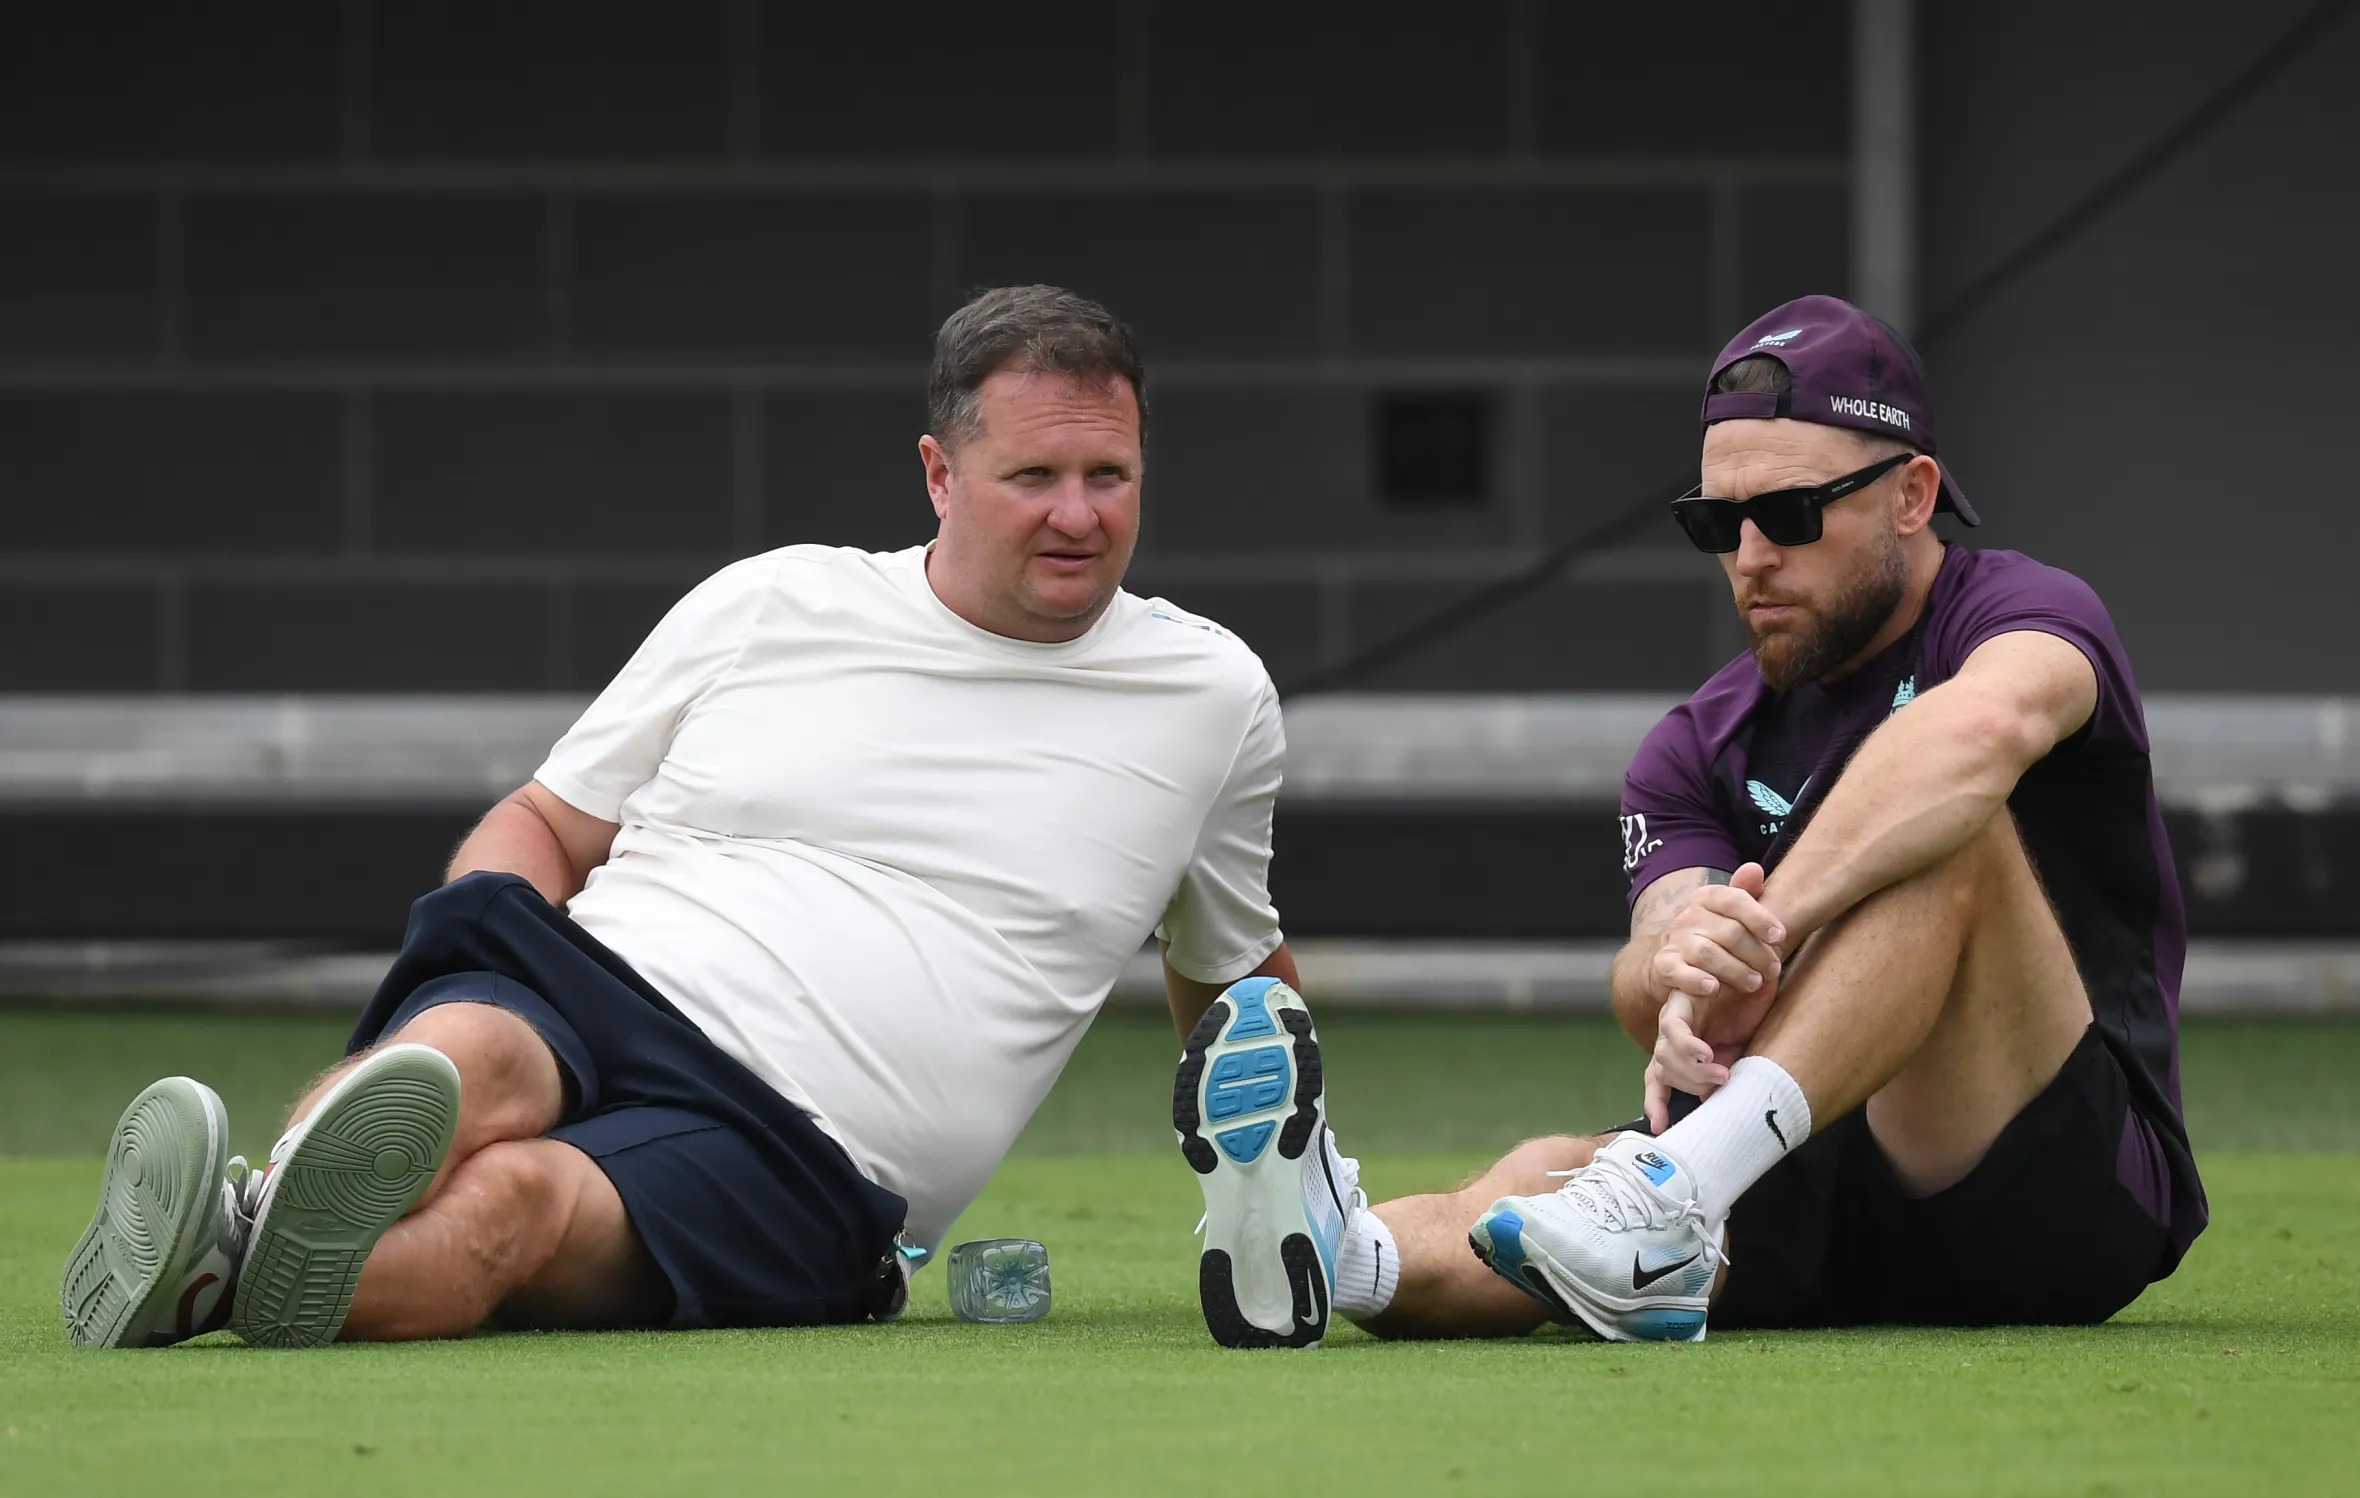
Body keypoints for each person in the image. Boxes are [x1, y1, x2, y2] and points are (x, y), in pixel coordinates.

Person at [61, 284, 1355, 1351]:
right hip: (599, 980)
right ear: (938, 474)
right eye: (1034, 474)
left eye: (1109, 474)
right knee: (470, 1058)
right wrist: (488, 939)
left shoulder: (1212, 696)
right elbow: (546, 822)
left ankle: (222, 1257)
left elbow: (1235, 973)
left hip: (803, 1155)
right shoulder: (773, 601)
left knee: (514, 1203)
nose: (1078, 513)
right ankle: (269, 1197)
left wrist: (1307, 1192)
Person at [1279, 293, 2207, 1343]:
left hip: (2059, 1187)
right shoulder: (1690, 744)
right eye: (1716, 523)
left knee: (1948, 831)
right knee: (1532, 1186)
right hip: (1810, 1163)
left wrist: (1767, 929)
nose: (1751, 555)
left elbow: (1975, 736)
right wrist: (1688, 968)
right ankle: (1314, 1249)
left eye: (1791, 514)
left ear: (1910, 496)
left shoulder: (2026, 614)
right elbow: (1649, 972)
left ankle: (1679, 1190)